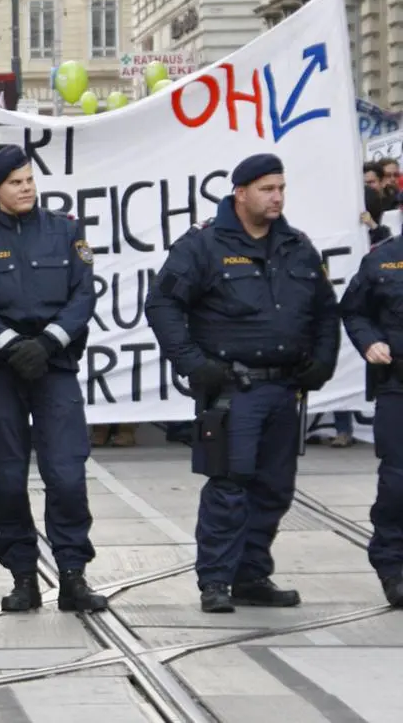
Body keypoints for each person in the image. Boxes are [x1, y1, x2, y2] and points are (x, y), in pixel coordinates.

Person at [145, 153, 340, 613]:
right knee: (229, 486)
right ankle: (215, 580)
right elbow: (162, 306)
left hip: (283, 389)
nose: (277, 197)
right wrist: (194, 363)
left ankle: (252, 575)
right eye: (267, 189)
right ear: (241, 192)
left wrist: (324, 361)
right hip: (233, 390)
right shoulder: (203, 246)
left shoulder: (296, 245)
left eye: (281, 188)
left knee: (274, 488)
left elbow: (325, 312)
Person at [0, 145, 106, 614]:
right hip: (3, 372)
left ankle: (73, 574)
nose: (25, 188)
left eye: (29, 180)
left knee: (65, 475)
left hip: (54, 368)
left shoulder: (65, 231)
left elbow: (83, 294)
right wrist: (10, 345)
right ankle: (23, 576)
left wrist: (49, 343)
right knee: (10, 479)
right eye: (15, 182)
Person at [340, 233, 403, 607]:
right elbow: (354, 309)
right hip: (398, 387)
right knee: (398, 482)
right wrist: (369, 341)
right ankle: (394, 568)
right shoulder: (384, 259)